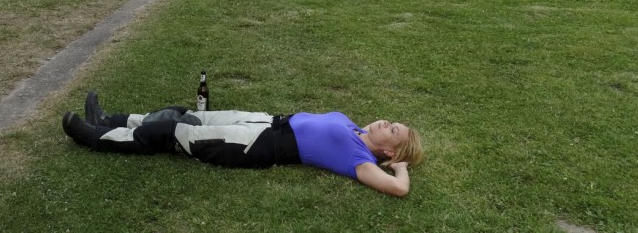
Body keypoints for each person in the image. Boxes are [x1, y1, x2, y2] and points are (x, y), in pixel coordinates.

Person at [62, 92, 423, 197]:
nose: (387, 123)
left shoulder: (360, 159)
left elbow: (398, 189)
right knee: (186, 113)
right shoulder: (357, 130)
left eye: (393, 131)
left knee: (174, 132)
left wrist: (402, 168)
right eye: (392, 123)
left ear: (389, 152)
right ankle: (109, 119)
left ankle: (94, 137)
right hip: (266, 120)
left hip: (259, 145)